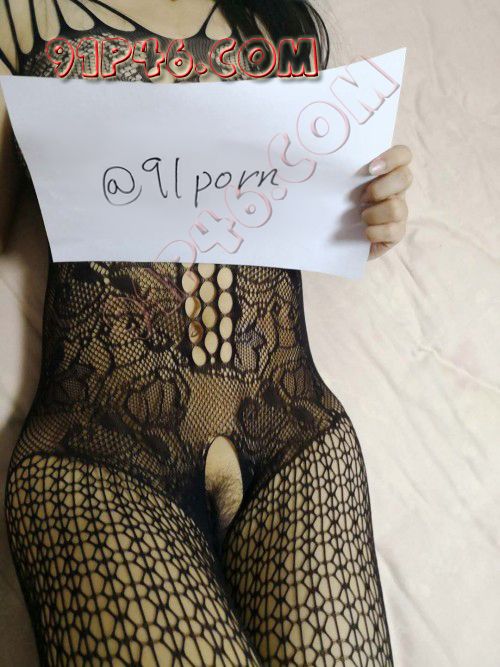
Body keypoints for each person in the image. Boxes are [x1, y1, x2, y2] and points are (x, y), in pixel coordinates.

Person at [0, 1, 413, 664]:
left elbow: (299, 208)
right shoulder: (24, 13)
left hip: (292, 432)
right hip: (98, 453)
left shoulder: (281, 21)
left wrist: (367, 211)